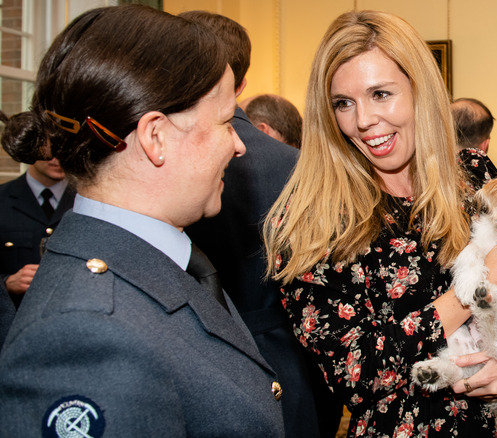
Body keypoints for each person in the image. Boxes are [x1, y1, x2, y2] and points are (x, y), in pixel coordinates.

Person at [262, 10, 497, 437]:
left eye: (381, 94)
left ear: (418, 89)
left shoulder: (475, 175)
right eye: (343, 103)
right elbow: (353, 376)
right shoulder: (310, 221)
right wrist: (472, 294)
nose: (364, 120)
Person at [0, 5, 284, 436]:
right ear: (156, 137)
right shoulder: (86, 336)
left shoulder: (157, 260)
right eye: (227, 122)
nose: (240, 146)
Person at [178, 11, 327, 438]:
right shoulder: (299, 165)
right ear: (241, 84)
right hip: (285, 359)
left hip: (189, 356)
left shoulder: (164, 153)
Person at [0, 111, 76, 348]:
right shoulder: (1, 201)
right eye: (47, 151)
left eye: (62, 149)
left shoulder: (89, 202)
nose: (55, 158)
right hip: (14, 336)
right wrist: (6, 284)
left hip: (74, 332)